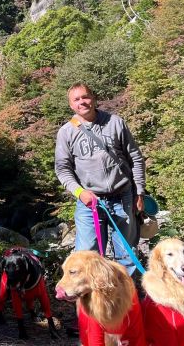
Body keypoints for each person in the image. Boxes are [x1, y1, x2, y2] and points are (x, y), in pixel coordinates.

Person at [54, 83, 146, 275]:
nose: (82, 102)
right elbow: (63, 169)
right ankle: (93, 301)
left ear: (93, 98)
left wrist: (139, 192)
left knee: (126, 255)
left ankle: (125, 299)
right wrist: (79, 193)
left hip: (122, 197)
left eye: (85, 97)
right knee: (87, 257)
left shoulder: (115, 123)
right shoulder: (66, 132)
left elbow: (135, 158)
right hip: (90, 203)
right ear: (71, 105)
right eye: (76, 99)